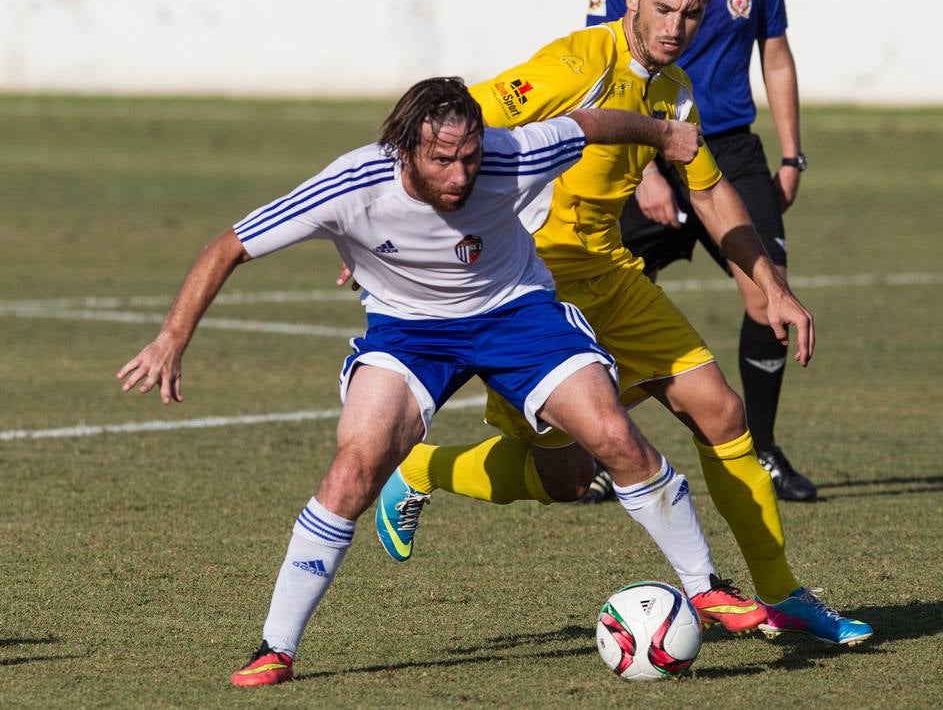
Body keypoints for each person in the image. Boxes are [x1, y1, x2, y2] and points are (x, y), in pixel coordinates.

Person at [116, 77, 765, 688]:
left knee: (612, 438)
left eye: (470, 157)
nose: (460, 175)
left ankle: (703, 584)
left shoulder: (508, 155)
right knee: (353, 468)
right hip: (408, 331)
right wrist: (172, 339)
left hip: (516, 312)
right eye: (443, 160)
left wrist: (662, 135)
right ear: (405, 149)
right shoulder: (351, 184)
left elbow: (590, 123)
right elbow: (229, 245)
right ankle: (276, 647)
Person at [382, 0, 871, 645]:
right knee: (567, 479)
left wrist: (770, 282)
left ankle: (782, 595)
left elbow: (709, 195)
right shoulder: (574, 63)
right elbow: (452, 119)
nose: (677, 29)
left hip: (611, 276)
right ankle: (421, 467)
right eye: (664, 10)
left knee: (722, 412)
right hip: (534, 291)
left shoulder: (674, 93)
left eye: (692, 15)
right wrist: (390, 213)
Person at [584, 0, 817, 502]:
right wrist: (649, 167)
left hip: (731, 150)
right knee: (594, 293)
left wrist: (793, 152)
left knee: (767, 290)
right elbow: (604, 72)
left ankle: (764, 448)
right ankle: (593, 447)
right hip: (642, 146)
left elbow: (774, 54)